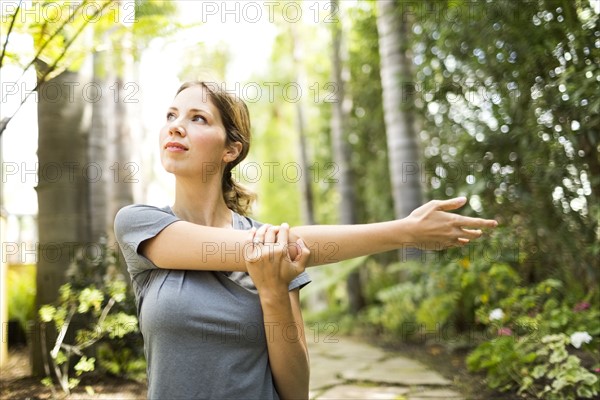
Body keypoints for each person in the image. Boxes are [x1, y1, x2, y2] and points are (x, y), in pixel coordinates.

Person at [114, 81, 498, 400]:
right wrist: (405, 231)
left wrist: (273, 293)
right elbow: (250, 250)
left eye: (197, 118)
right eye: (171, 116)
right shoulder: (140, 225)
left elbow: (295, 392)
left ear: (231, 149)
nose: (175, 126)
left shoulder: (278, 254)